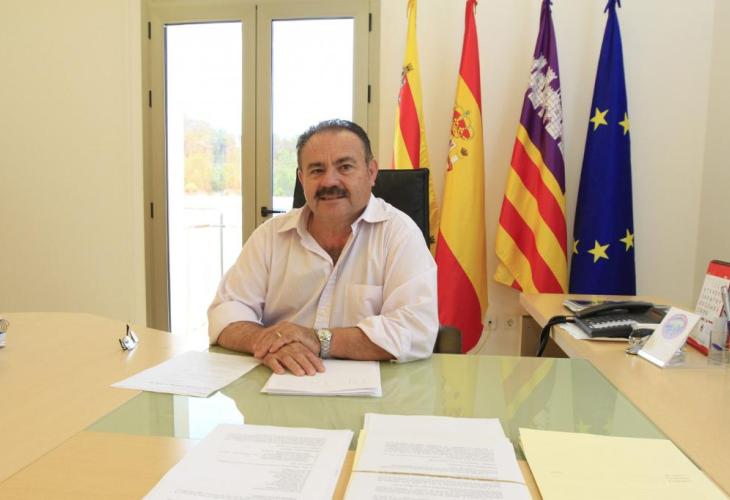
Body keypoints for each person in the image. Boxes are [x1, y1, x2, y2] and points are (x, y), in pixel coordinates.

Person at [207, 119, 438, 375]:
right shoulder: (270, 236)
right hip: (282, 380)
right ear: (301, 178)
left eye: (345, 167)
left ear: (371, 172)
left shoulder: (400, 234)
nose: (329, 181)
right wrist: (267, 342)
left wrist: (318, 340)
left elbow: (416, 329)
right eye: (317, 170)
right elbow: (225, 311)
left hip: (375, 390)